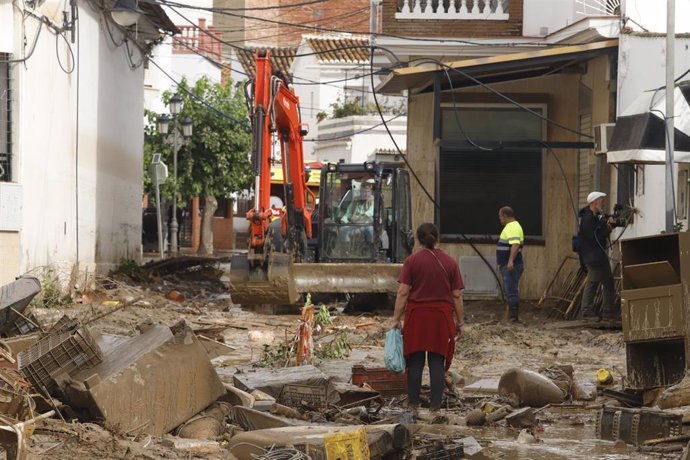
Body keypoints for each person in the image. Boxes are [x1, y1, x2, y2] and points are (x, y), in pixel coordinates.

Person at [391, 223, 464, 415]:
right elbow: (456, 296)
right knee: (436, 362)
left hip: (417, 318)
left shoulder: (412, 261)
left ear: (418, 239)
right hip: (441, 319)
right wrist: (460, 322)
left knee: (415, 362)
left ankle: (413, 406)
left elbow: (403, 292)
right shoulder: (450, 262)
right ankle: (435, 409)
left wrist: (396, 319)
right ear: (437, 238)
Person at [579, 191, 618, 319]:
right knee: (593, 282)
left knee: (608, 282)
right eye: (601, 200)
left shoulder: (594, 217)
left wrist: (606, 224)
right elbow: (595, 236)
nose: (603, 203)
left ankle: (608, 311)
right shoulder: (588, 219)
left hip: (599, 255)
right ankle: (586, 311)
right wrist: (608, 228)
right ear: (594, 202)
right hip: (593, 256)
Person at [496, 206, 524, 322]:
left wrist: (510, 261)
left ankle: (513, 318)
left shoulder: (512, 227)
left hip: (511, 265)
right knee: (510, 290)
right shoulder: (512, 226)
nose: (499, 219)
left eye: (500, 216)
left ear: (505, 216)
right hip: (508, 264)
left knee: (511, 290)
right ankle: (511, 315)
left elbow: (515, 244)